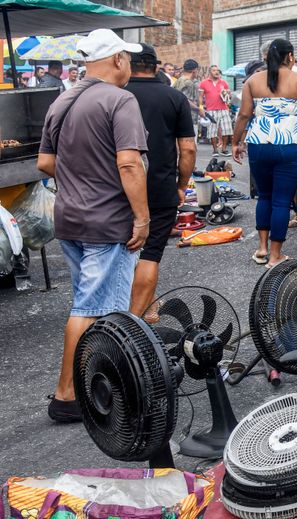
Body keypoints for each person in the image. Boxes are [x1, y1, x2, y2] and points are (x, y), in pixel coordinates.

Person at [37, 29, 149, 423]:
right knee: (93, 307)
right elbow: (129, 164)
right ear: (117, 59)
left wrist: (82, 177)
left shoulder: (62, 100)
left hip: (70, 219)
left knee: (92, 304)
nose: (130, 65)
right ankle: (67, 395)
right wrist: (142, 217)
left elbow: (45, 164)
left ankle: (95, 380)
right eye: (128, 58)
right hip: (107, 222)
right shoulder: (120, 100)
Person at [124, 43, 197, 316]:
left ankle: (139, 306)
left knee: (126, 250)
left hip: (120, 187)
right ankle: (142, 314)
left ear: (128, 64)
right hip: (160, 186)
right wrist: (181, 186)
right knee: (150, 252)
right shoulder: (173, 97)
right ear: (156, 66)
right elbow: (188, 148)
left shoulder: (116, 94)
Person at [234, 38, 297, 266]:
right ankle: (275, 255)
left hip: (259, 143)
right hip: (291, 144)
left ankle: (261, 248)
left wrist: (235, 142)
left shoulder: (252, 81)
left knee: (264, 196)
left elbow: (243, 115)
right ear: (290, 56)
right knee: (282, 201)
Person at [199, 65, 232, 156]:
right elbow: (200, 96)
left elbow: (229, 97)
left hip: (224, 109)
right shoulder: (204, 83)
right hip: (211, 110)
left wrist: (228, 94)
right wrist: (201, 108)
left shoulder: (224, 83)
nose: (216, 72)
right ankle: (215, 150)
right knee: (212, 131)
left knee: (227, 129)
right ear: (210, 72)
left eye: (217, 70)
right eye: (214, 70)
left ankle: (224, 149)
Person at [175, 59, 201, 132]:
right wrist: (199, 109)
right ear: (195, 70)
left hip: (179, 117)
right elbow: (185, 101)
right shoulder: (188, 82)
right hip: (188, 119)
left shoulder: (179, 80)